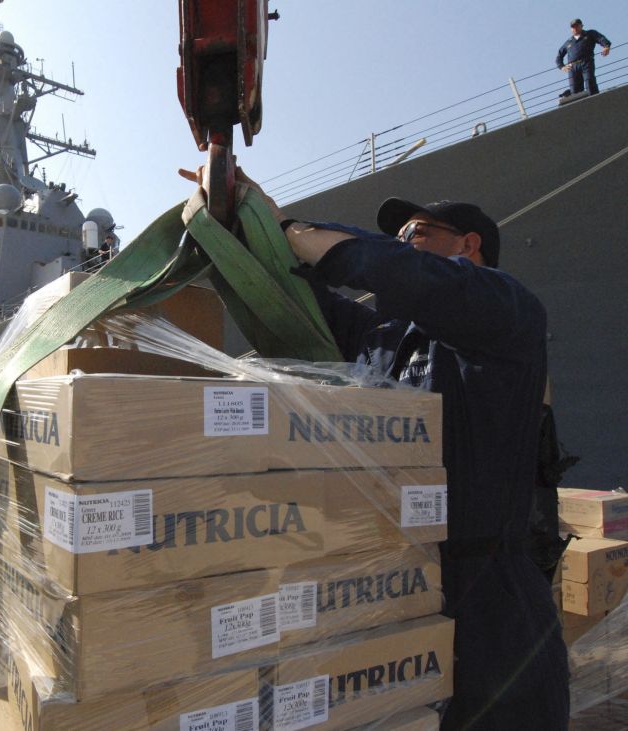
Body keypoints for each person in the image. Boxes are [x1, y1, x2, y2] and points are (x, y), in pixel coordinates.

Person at [269, 195, 570, 730]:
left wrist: (293, 227)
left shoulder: (508, 311)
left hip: (490, 597)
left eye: (415, 233)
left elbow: (412, 275)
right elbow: (296, 300)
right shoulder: (387, 341)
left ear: (468, 245)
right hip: (402, 584)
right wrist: (242, 225)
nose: (402, 244)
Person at [556, 18, 611, 96]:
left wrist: (606, 46)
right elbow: (559, 57)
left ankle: (594, 99)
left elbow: (601, 38)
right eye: (573, 27)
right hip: (572, 67)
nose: (575, 28)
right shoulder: (568, 42)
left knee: (590, 83)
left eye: (577, 26)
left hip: (586, 62)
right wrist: (562, 67)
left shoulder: (589, 34)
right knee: (575, 90)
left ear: (581, 26)